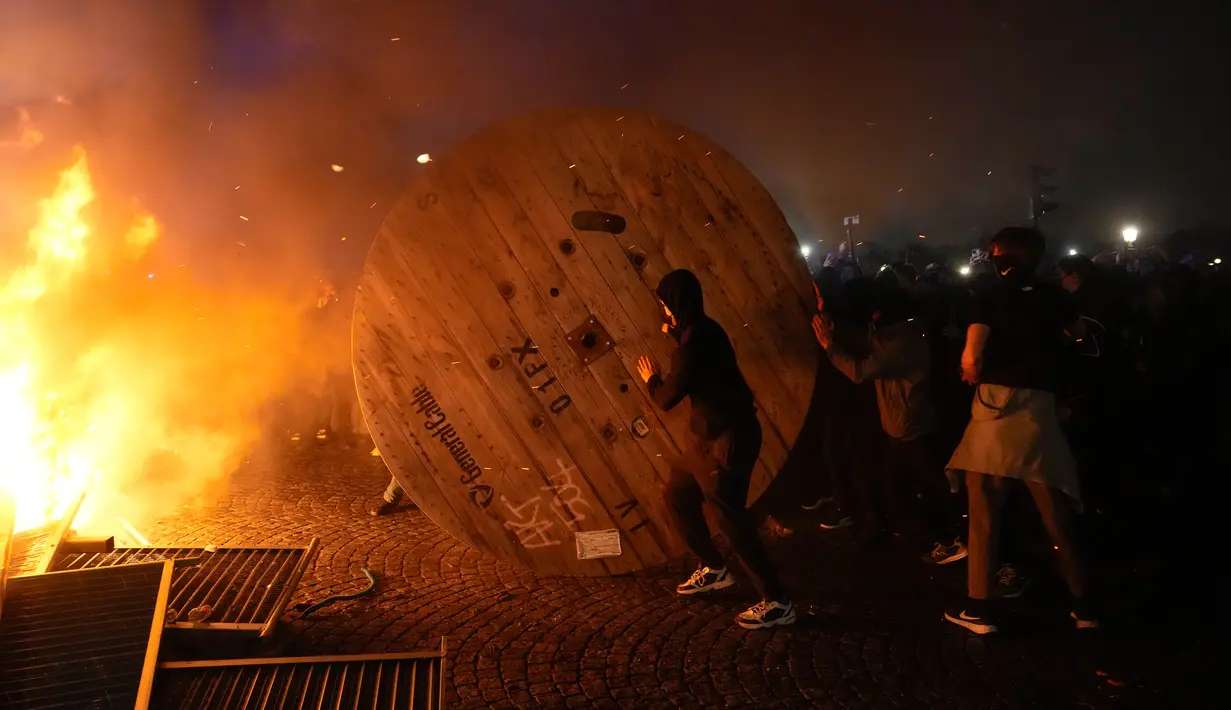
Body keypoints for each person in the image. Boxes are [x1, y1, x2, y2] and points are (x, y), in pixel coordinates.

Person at [942, 226, 1097, 635]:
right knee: (1056, 515)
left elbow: (973, 355)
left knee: (984, 513)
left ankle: (979, 608)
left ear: (999, 256)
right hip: (1041, 411)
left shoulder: (989, 296)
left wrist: (969, 373)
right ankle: (1084, 606)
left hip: (997, 409)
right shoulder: (1054, 296)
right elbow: (1080, 337)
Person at [636, 269, 793, 630]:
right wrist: (674, 331)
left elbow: (666, 398)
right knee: (677, 493)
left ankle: (778, 600)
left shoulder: (692, 345)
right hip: (707, 440)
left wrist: (651, 380)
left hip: (728, 439)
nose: (662, 310)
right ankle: (713, 566)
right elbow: (694, 353)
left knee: (730, 518)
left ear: (676, 304)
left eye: (664, 304)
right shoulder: (704, 330)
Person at [813, 283, 965, 562]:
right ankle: (928, 532)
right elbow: (863, 340)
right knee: (896, 483)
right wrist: (826, 314)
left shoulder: (902, 341)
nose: (872, 318)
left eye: (875, 313)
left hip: (913, 427)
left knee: (927, 485)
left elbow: (861, 370)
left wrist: (830, 347)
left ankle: (950, 539)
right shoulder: (896, 332)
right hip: (901, 426)